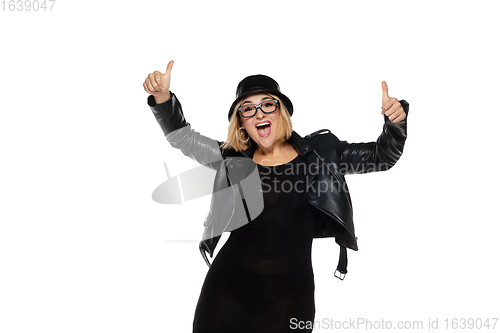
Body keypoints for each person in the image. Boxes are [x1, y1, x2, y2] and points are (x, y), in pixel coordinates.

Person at [143, 60, 409, 332]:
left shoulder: (322, 154)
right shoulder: (231, 158)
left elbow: (382, 157)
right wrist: (163, 99)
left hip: (291, 297)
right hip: (226, 291)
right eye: (248, 109)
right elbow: (183, 139)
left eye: (267, 104)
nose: (259, 114)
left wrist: (395, 122)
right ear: (241, 123)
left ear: (282, 112)